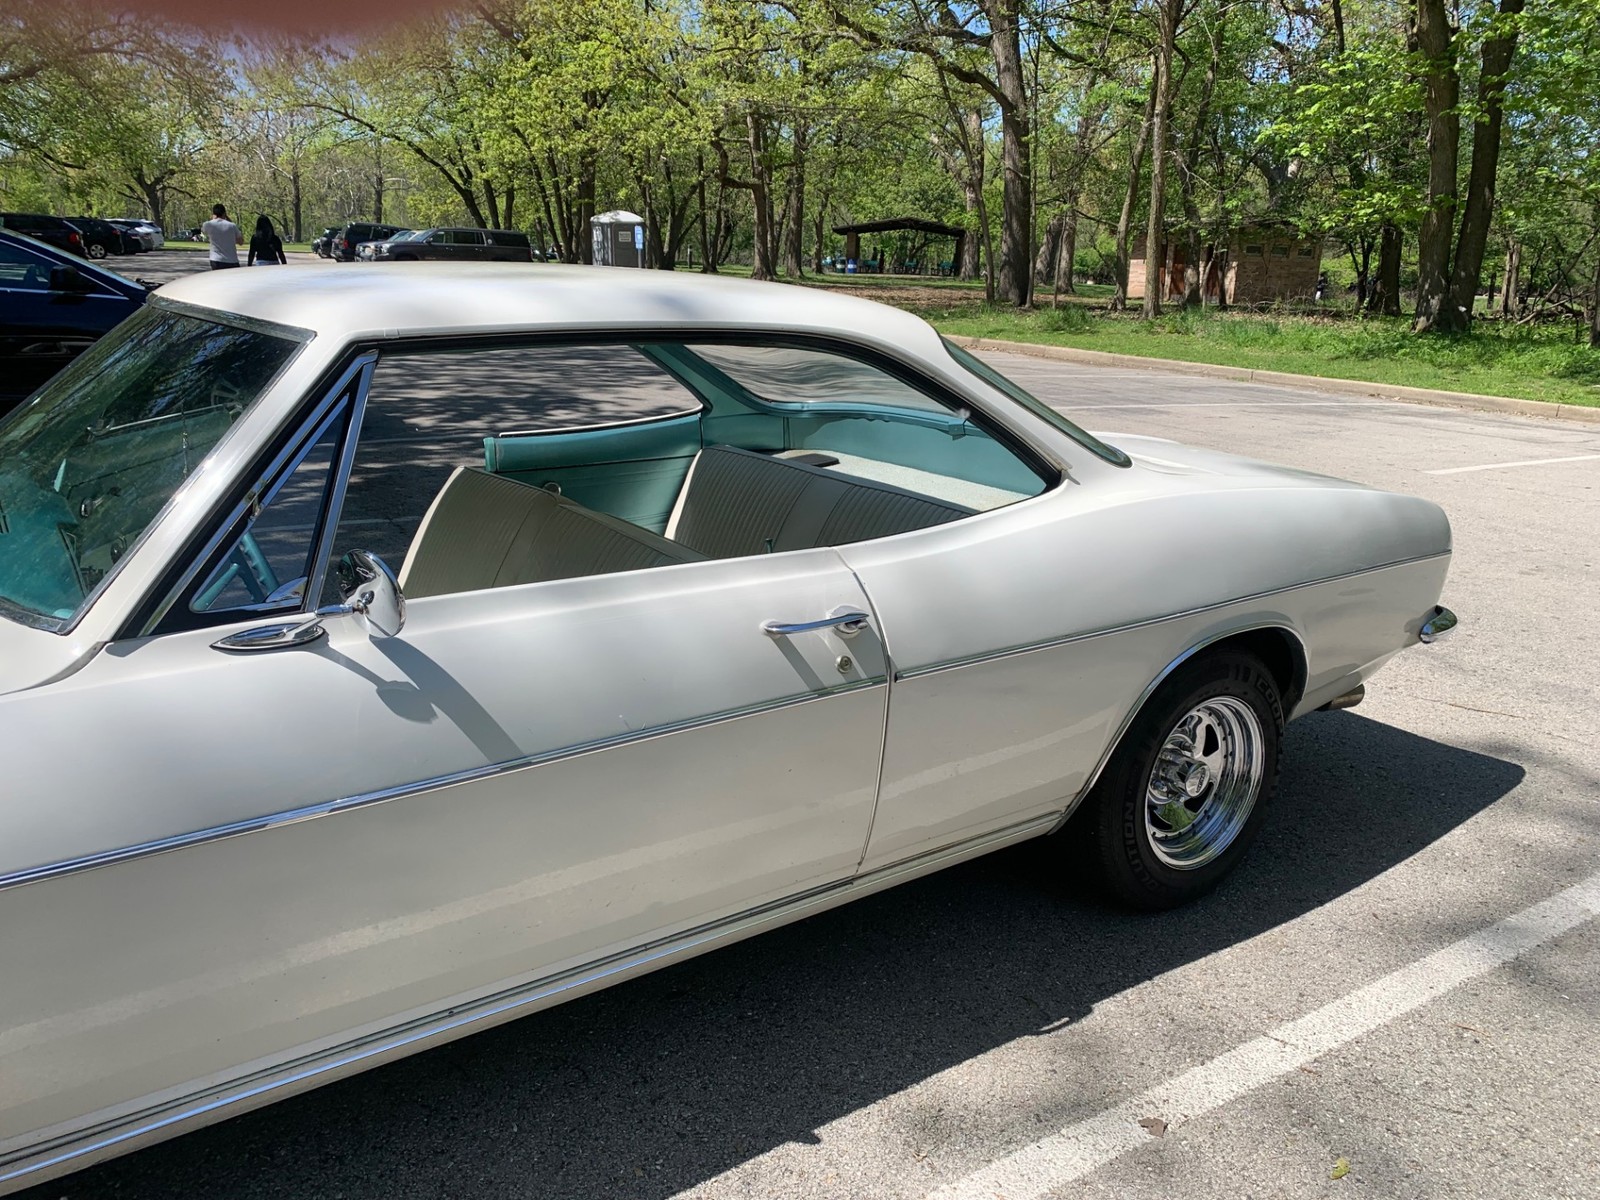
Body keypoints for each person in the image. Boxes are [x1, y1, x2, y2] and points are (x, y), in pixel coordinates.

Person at [201, 204, 242, 269]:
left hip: (216, 259)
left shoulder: (208, 224)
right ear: (224, 213)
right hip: (231, 260)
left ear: (213, 214)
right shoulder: (232, 226)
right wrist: (228, 219)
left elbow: (204, 231)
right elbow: (241, 242)